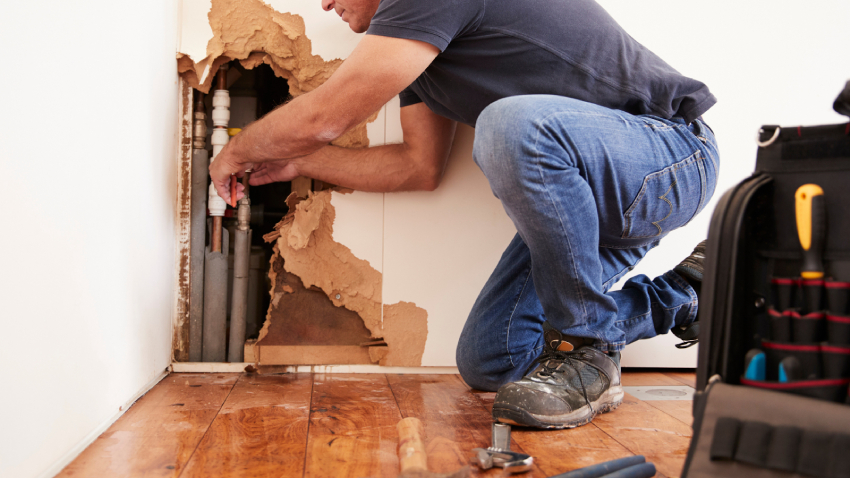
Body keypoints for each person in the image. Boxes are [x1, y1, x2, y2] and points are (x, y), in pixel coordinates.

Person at [209, 0, 718, 429]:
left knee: (510, 123)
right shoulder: (419, 55)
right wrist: (296, 161)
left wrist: (238, 149)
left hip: (668, 157)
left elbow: (327, 116)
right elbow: (417, 166)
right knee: (494, 359)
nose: (324, 4)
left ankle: (587, 348)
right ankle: (689, 293)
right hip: (584, 203)